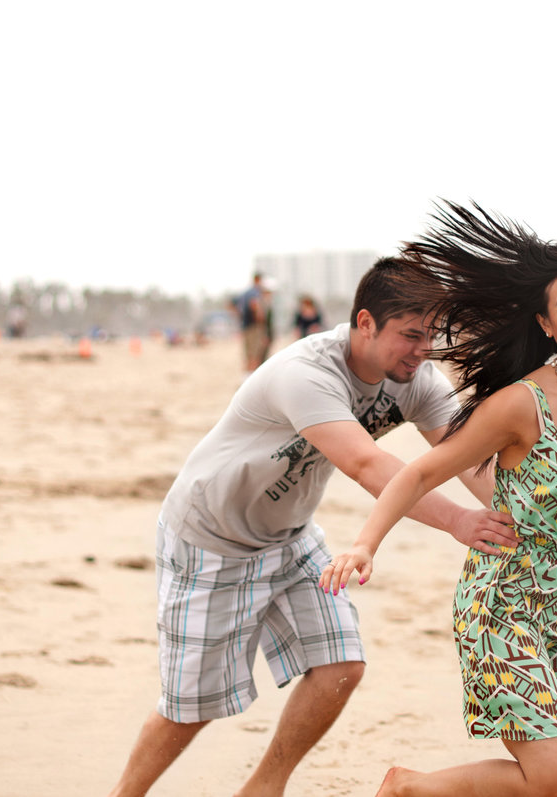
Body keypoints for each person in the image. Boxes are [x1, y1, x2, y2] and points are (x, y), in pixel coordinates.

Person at [106, 258, 517, 797]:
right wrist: (459, 522)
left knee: (340, 665)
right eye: (411, 336)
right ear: (365, 323)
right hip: (211, 537)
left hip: (292, 535)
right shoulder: (307, 373)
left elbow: (465, 457)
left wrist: (525, 519)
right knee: (190, 708)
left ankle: (265, 786)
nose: (423, 350)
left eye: (431, 337)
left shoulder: (416, 381)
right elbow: (366, 465)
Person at [323, 202, 557, 796]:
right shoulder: (522, 404)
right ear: (546, 325)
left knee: (551, 785)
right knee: (553, 780)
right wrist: (365, 544)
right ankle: (405, 788)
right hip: (503, 600)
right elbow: (421, 473)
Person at [233, 272, 272, 371]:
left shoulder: (245, 293)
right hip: (255, 327)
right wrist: (262, 321)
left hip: (246, 326)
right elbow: (255, 305)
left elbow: (235, 307)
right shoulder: (255, 292)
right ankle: (253, 376)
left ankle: (246, 376)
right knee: (256, 355)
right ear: (259, 280)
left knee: (248, 354)